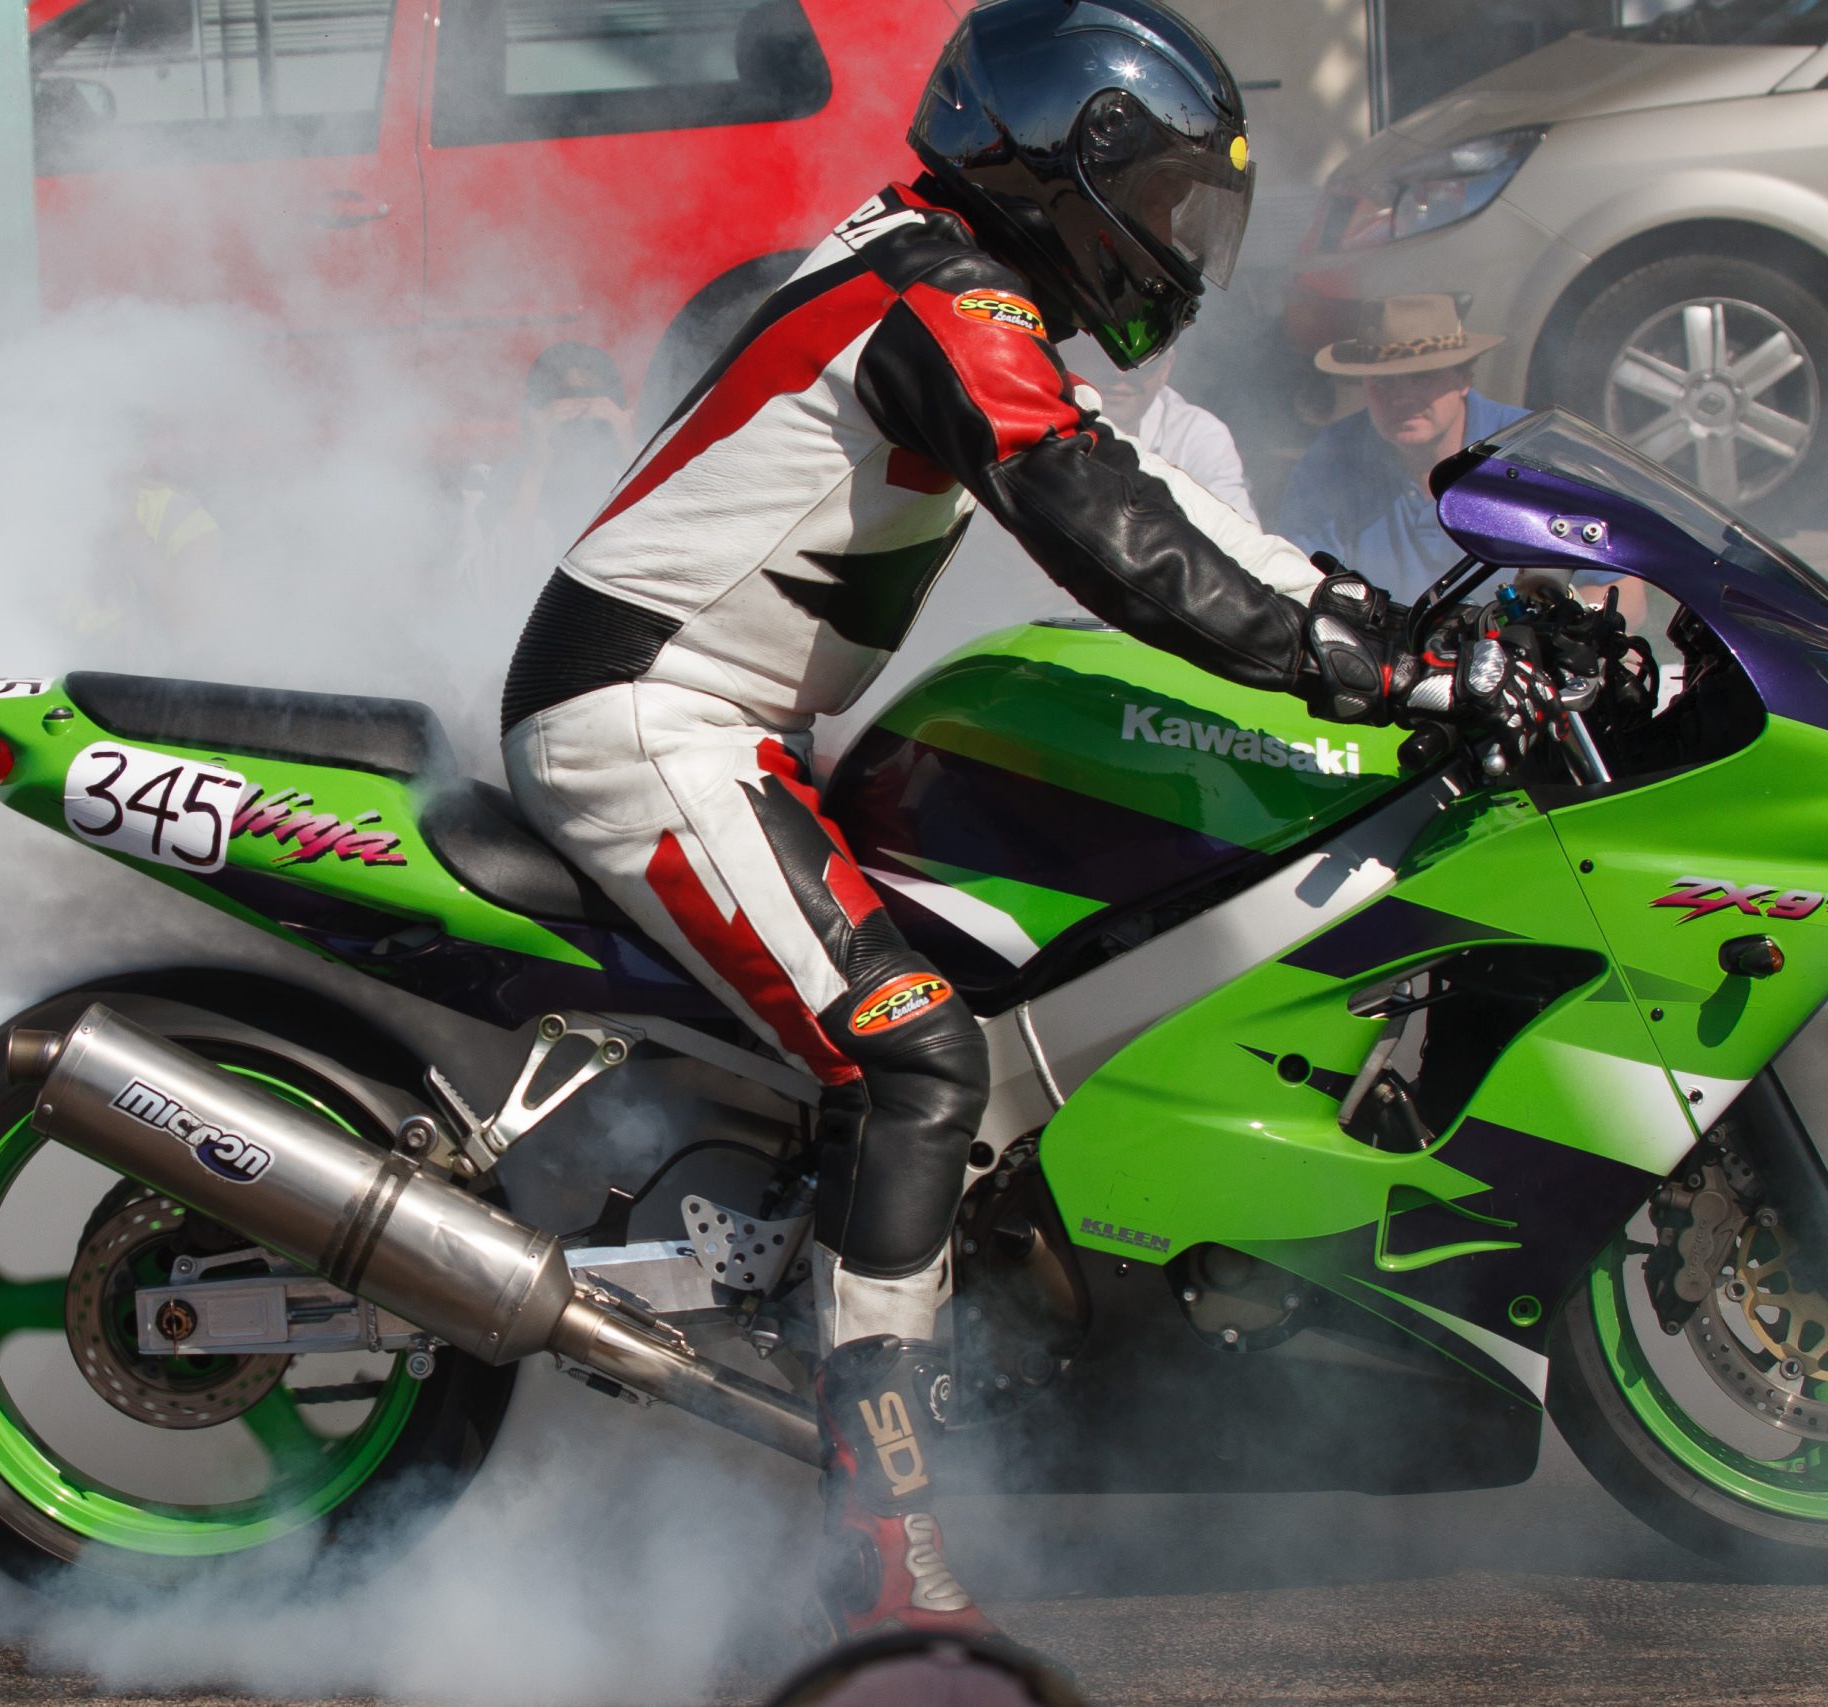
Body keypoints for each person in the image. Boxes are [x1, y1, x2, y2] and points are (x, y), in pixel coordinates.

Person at [496, 0, 1553, 1641]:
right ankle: (883, 1539)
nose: (1181, 246)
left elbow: (1149, 490)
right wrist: (1376, 660)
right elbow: (1105, 526)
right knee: (918, 1051)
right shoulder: (944, 295)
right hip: (647, 726)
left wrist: (1385, 629)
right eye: (1177, 202)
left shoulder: (937, 274)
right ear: (1077, 166)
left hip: (731, 726)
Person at [1277, 295, 1525, 601]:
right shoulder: (1334, 457)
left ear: (1465, 379)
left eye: (1423, 377)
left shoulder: (1525, 449)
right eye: (1384, 382)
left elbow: (1596, 582)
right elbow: (1299, 580)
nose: (1402, 398)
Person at [459, 344, 637, 592]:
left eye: (595, 421)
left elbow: (678, 574)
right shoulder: (490, 485)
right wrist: (535, 468)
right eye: (565, 418)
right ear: (530, 418)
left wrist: (630, 455)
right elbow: (485, 593)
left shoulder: (635, 478)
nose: (581, 434)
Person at [1061, 339, 1255, 521]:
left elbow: (1243, 541)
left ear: (1166, 368)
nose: (1121, 373)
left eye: (1143, 361)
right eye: (1107, 357)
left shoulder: (1200, 435)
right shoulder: (1046, 421)